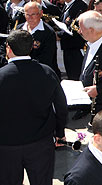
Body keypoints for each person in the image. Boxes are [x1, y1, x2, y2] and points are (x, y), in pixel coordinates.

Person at [0, 30, 67, 185]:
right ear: (31, 48)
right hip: (41, 143)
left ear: (8, 48)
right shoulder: (47, 72)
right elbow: (60, 106)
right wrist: (59, 132)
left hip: (6, 146)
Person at [19, 1, 59, 76]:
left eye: (33, 14)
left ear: (41, 13)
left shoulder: (48, 32)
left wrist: (25, 65)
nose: (30, 18)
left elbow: (46, 58)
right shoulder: (18, 29)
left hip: (42, 74)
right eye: (27, 15)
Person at [59, 0, 88, 80]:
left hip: (76, 48)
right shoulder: (67, 5)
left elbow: (74, 28)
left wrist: (59, 34)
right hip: (68, 47)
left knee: (76, 76)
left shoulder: (80, 6)